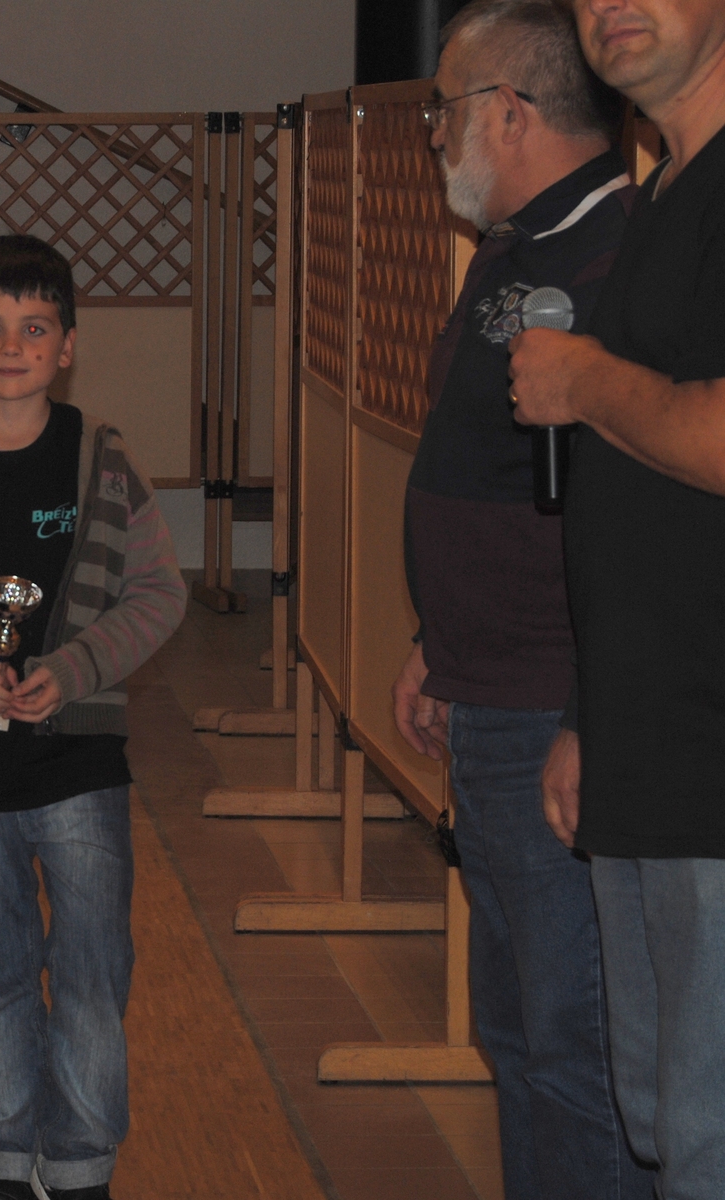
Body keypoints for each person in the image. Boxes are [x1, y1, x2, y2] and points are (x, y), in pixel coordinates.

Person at [391, 5, 652, 1198]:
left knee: (574, 1048)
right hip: (484, 688)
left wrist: (588, 712)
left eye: (442, 108)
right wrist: (432, 642)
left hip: (554, 709)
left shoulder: (624, 258)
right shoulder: (510, 249)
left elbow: (636, 519)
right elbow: (483, 467)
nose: (433, 135)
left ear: (508, 111)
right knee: (512, 1036)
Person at [0, 235, 184, 1200]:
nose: (12, 348)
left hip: (80, 765)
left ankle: (81, 1165)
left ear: (68, 347)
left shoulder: (104, 461)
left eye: (35, 329)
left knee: (92, 974)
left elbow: (159, 592)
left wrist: (76, 668)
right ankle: (8, 1164)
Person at [510, 0, 725, 1193]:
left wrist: (584, 381)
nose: (612, 5)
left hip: (712, 750)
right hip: (646, 735)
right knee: (658, 1119)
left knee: (706, 1135)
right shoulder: (660, 194)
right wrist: (588, 714)